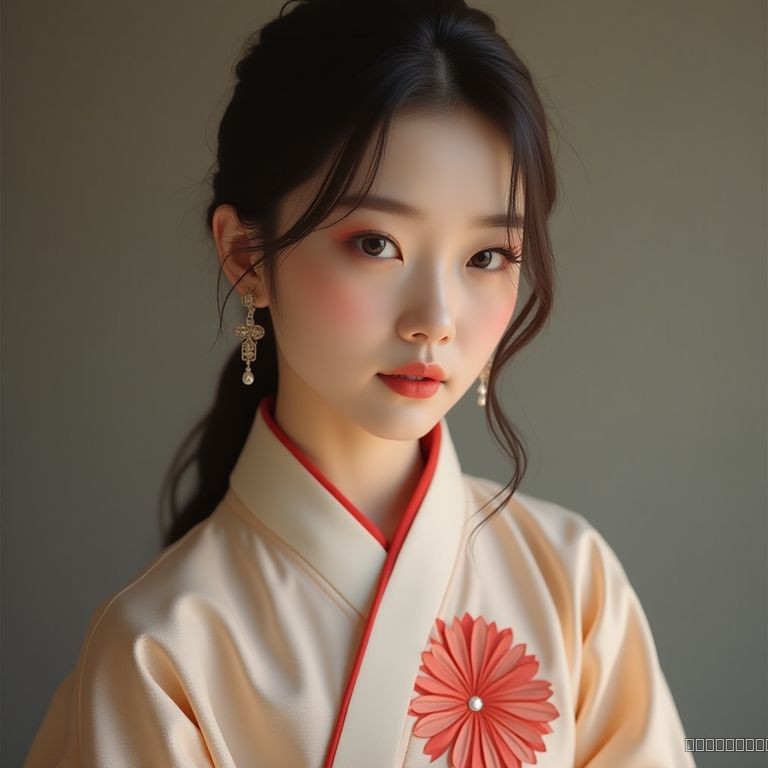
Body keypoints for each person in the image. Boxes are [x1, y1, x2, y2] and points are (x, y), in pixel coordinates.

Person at [24, 0, 696, 766]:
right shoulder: (158, 648)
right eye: (376, 243)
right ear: (246, 255)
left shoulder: (573, 581)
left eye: (487, 256)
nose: (435, 319)